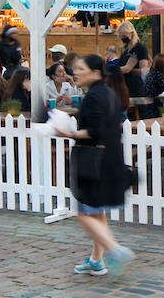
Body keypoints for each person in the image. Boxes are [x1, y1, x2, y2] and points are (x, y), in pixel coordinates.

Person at [53, 52, 134, 277]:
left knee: (83, 214)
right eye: (75, 69)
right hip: (107, 160)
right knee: (97, 213)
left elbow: (95, 131)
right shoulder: (107, 93)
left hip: (94, 164)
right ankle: (96, 260)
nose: (75, 73)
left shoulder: (95, 96)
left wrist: (68, 133)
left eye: (81, 69)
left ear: (95, 73)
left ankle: (116, 250)